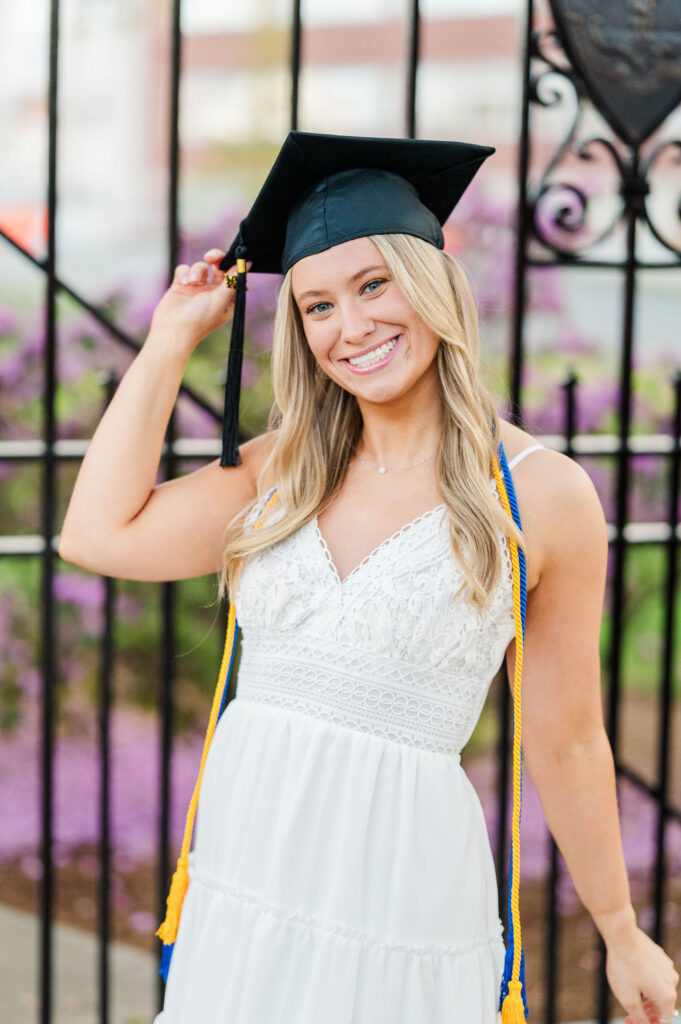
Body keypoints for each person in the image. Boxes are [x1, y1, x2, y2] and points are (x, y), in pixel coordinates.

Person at [58, 133, 679, 1024]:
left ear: (431, 286)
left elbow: (568, 737)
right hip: (248, 874)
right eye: (316, 306)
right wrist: (166, 344)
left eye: (373, 286)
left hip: (398, 885)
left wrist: (620, 930)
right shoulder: (285, 469)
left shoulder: (542, 496)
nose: (350, 328)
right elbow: (95, 534)